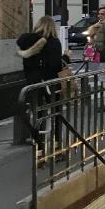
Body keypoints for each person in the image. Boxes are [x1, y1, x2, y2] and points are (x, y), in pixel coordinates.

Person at [16, 15, 64, 146]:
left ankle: (38, 140)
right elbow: (55, 64)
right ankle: (57, 140)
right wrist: (66, 58)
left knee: (38, 111)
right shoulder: (53, 42)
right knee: (56, 111)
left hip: (32, 82)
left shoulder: (27, 41)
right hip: (49, 82)